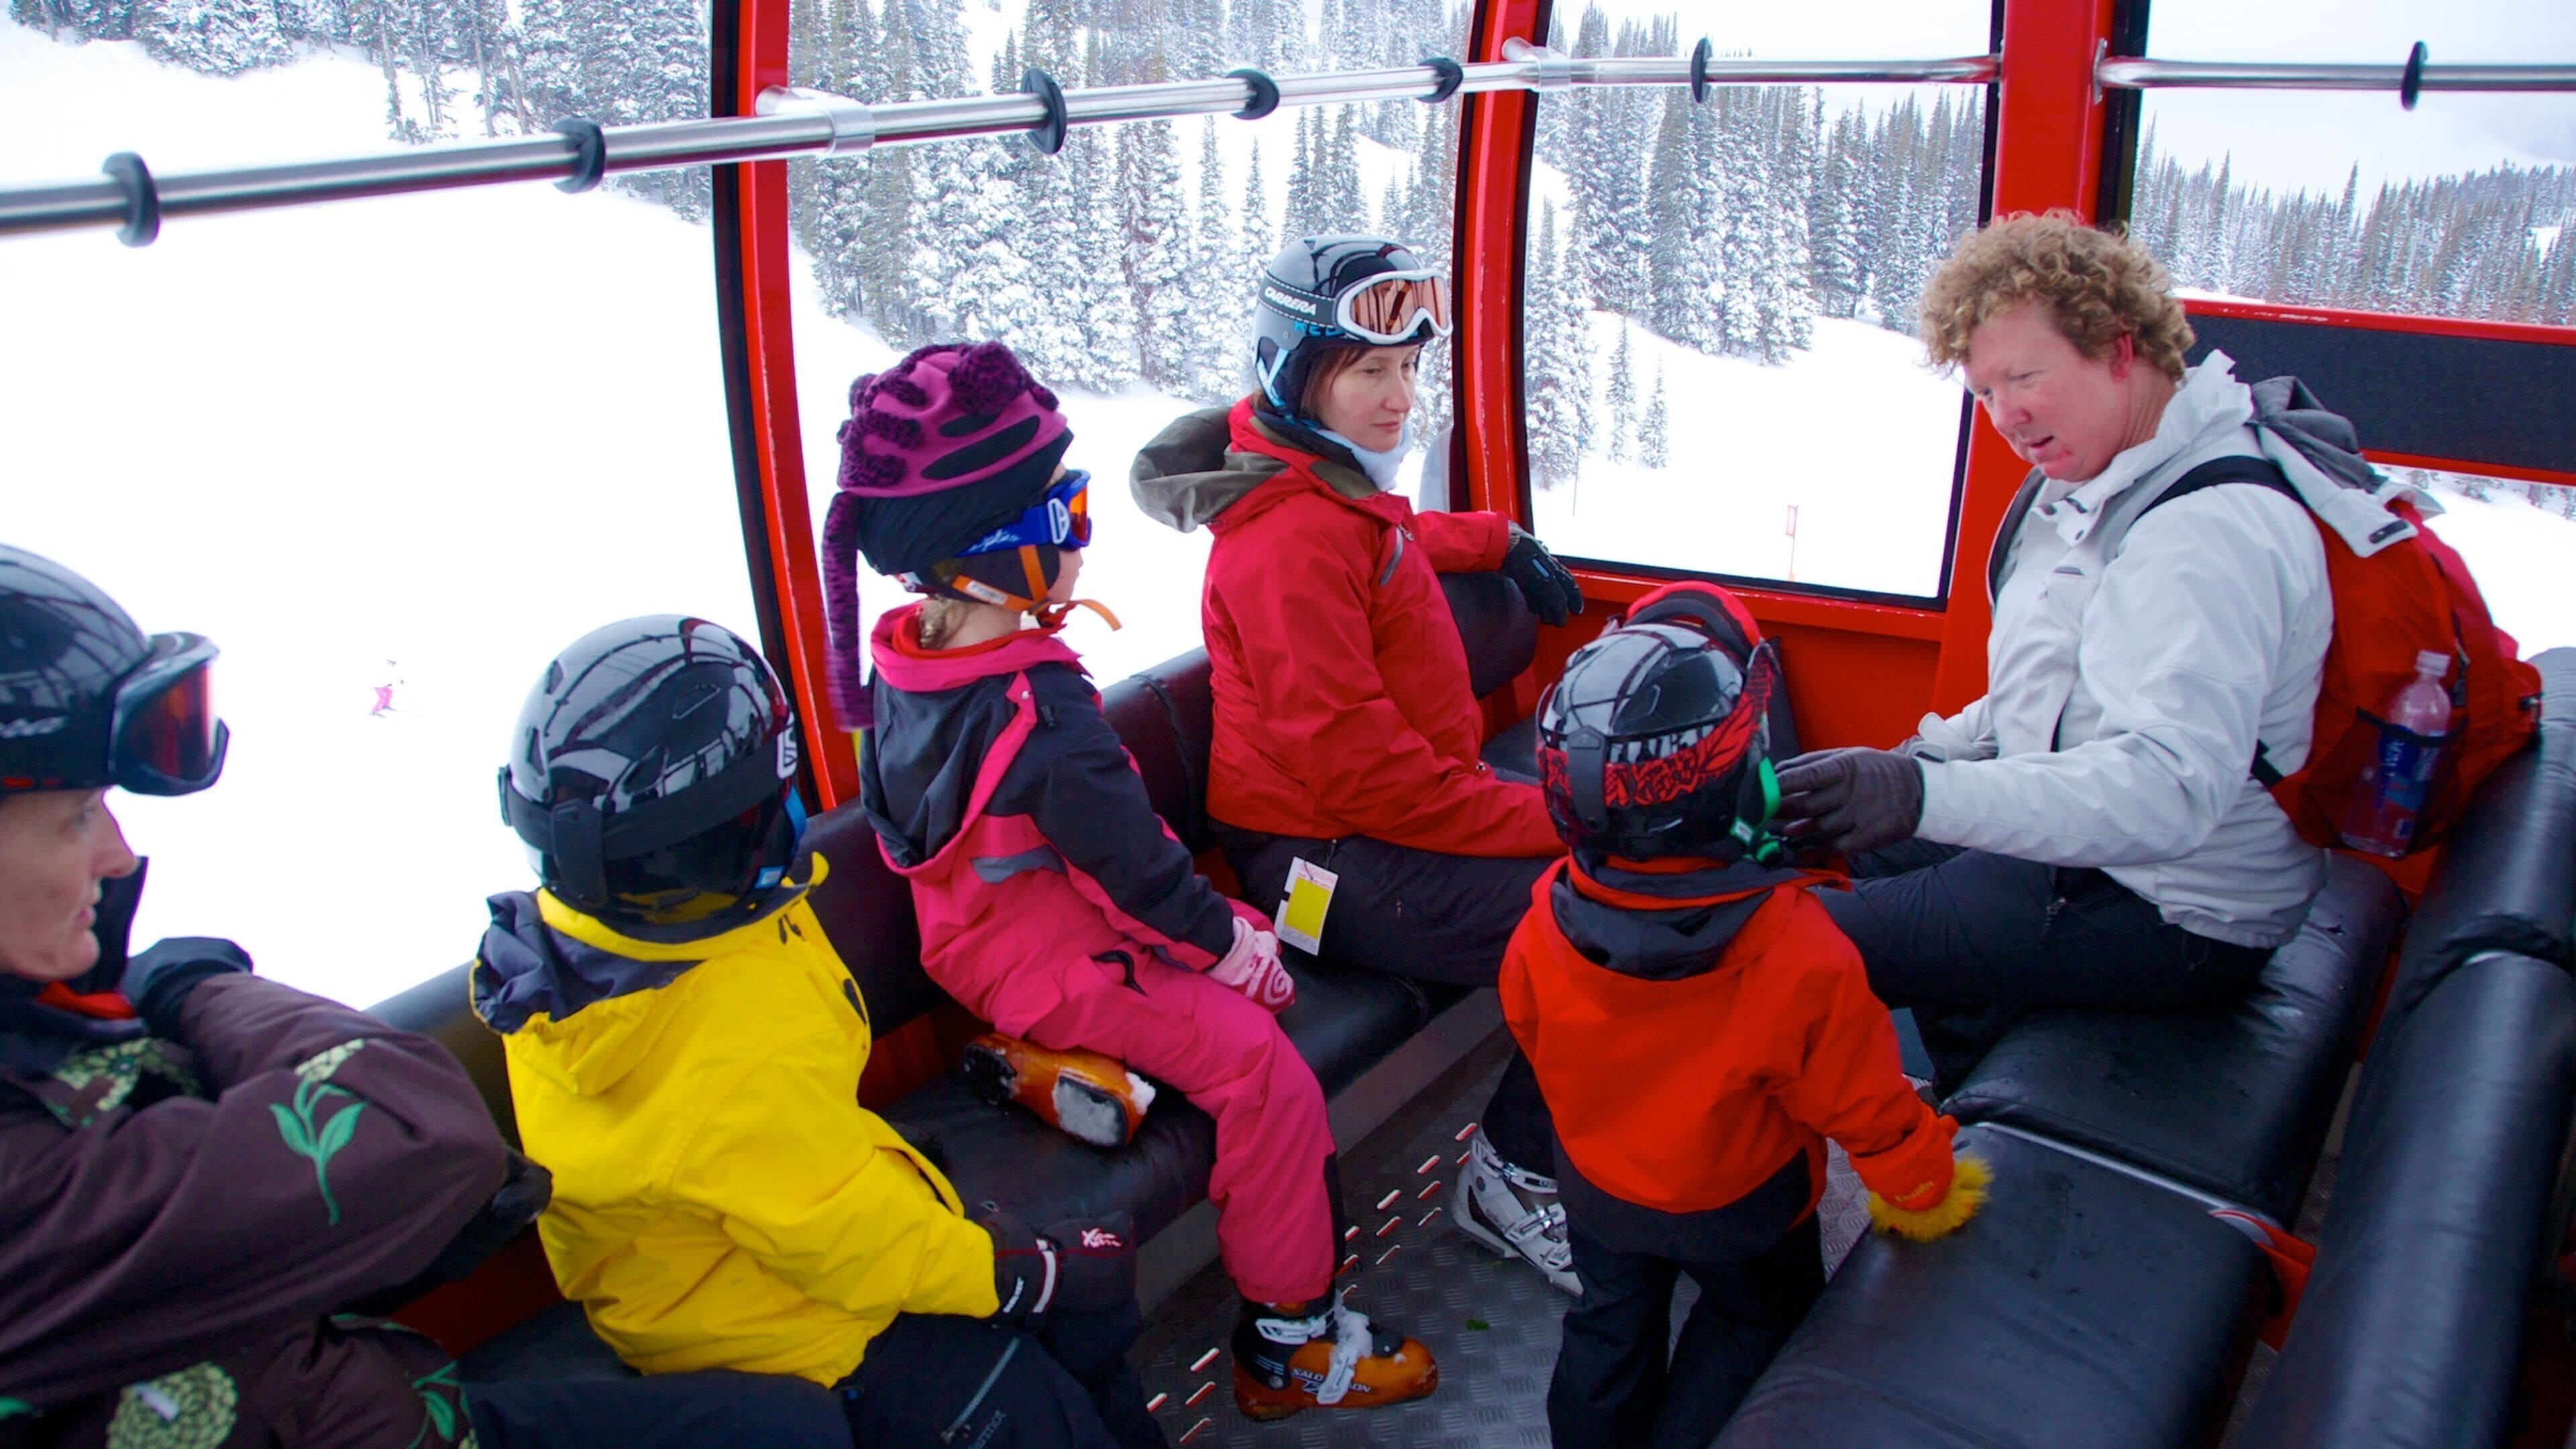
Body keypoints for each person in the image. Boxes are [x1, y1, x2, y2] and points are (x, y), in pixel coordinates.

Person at [824, 340, 1438, 1421]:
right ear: (991, 552)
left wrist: (1206, 929)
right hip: (1057, 958)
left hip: (981, 942)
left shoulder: (910, 665)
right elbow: (1139, 878)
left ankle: (1054, 1070)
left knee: (1224, 949)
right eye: (1064, 513)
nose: (1082, 533)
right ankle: (1284, 1342)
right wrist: (1234, 952)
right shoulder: (1044, 716)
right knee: (1266, 1069)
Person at [478, 610, 1160, 1448]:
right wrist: (1017, 1274)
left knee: (1083, 1327)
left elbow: (796, 1178)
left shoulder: (596, 947)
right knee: (1031, 1397)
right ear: (719, 843)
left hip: (746, 1245)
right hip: (780, 1328)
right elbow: (845, 1235)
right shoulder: (726, 1052)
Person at [1774, 212, 2334, 1091]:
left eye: (2026, 377)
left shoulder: (2206, 532)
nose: (2007, 416)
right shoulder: (2095, 480)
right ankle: (1962, 1082)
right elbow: (2059, 690)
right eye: (1986, 392)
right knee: (1807, 847)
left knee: (1790, 951)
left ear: (2119, 349)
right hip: (2095, 846)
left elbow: (2167, 791)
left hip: (2178, 906)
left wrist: (1920, 793)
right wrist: (1912, 761)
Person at [1130, 235, 1590, 1293]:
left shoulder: (1324, 492)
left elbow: (1389, 538)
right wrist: (1564, 815)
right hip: (1319, 867)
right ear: (1299, 378)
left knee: (1614, 892)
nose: (1401, 399)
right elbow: (1366, 778)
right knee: (1598, 919)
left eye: (1411, 370)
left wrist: (1496, 539)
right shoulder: (1284, 541)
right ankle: (1512, 1178)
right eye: (1370, 372)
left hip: (1384, 827)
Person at [0, 544, 511, 1448]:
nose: (120, 858)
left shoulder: (43, 1036)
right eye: (79, 816)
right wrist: (195, 986)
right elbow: (416, 1130)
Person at [1503, 580, 1989, 1449]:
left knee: (1608, 1331)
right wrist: (1924, 1185)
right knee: (1754, 1329)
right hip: (1744, 1211)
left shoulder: (1548, 913)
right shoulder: (1798, 951)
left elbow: (1533, 1033)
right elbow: (1863, 1105)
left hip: (1600, 1189)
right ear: (1740, 784)